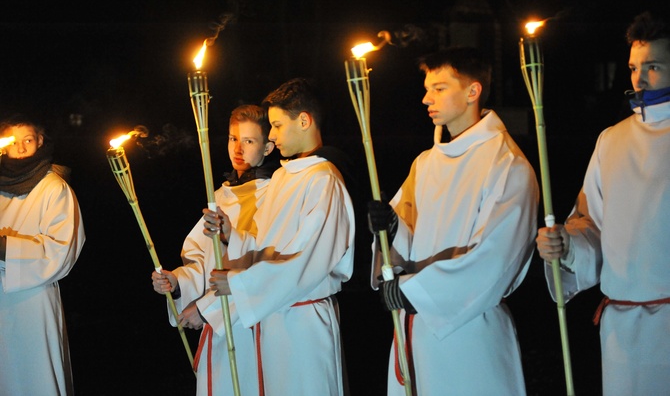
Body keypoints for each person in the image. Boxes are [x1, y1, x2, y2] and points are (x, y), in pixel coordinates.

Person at [368, 47, 539, 395]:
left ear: (472, 91)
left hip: (470, 331)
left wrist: (418, 293)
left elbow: (496, 259)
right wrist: (390, 228)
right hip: (415, 330)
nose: (425, 98)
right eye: (427, 88)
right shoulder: (425, 163)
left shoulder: (507, 165)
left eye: (440, 88)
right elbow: (409, 241)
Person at [535, 9, 670, 396]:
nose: (639, 79)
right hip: (621, 332)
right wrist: (566, 243)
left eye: (654, 66)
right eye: (633, 67)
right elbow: (590, 223)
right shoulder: (611, 140)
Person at [204, 77, 355, 396]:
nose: (270, 136)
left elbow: (307, 259)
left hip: (303, 321)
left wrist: (240, 283)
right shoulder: (285, 176)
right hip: (275, 317)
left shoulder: (324, 180)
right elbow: (271, 244)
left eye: (276, 125)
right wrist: (234, 235)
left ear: (304, 120)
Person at [151, 104, 278, 396]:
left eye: (249, 140)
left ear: (268, 147)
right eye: (234, 138)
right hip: (219, 327)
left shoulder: (273, 194)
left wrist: (208, 311)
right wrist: (178, 282)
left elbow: (261, 267)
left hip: (251, 326)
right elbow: (201, 259)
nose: (238, 148)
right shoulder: (221, 194)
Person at [0, 113, 86, 396]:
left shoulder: (54, 188)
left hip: (32, 303)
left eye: (28, 140)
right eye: (14, 141)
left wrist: (6, 249)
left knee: (35, 378)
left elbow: (62, 251)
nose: (22, 148)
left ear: (40, 141)